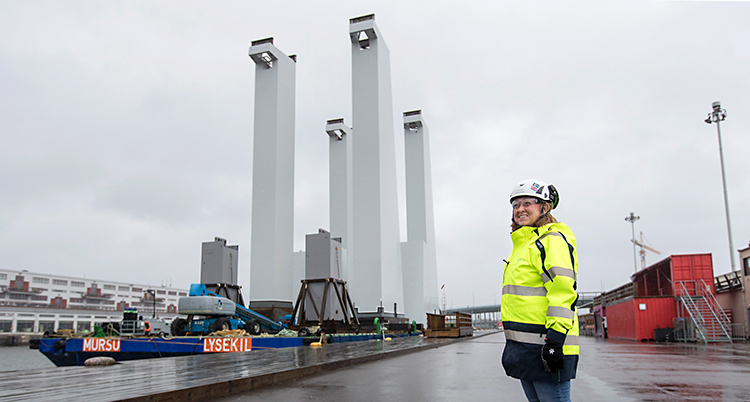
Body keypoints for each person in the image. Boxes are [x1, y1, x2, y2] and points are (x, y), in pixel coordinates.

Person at [501, 179, 579, 402]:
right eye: (516, 205)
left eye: (528, 203)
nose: (520, 209)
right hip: (526, 348)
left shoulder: (550, 240)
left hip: (546, 345)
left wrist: (555, 341)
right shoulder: (523, 245)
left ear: (545, 207)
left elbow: (563, 291)